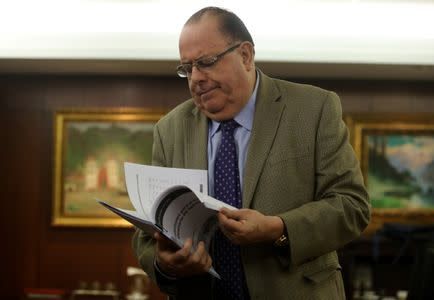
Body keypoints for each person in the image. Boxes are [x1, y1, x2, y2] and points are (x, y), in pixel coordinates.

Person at [132, 6, 370, 300]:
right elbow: (149, 233)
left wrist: (279, 229)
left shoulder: (313, 109)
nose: (195, 78)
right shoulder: (169, 129)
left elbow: (351, 206)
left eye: (205, 62)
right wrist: (166, 264)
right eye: (187, 68)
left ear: (245, 55)